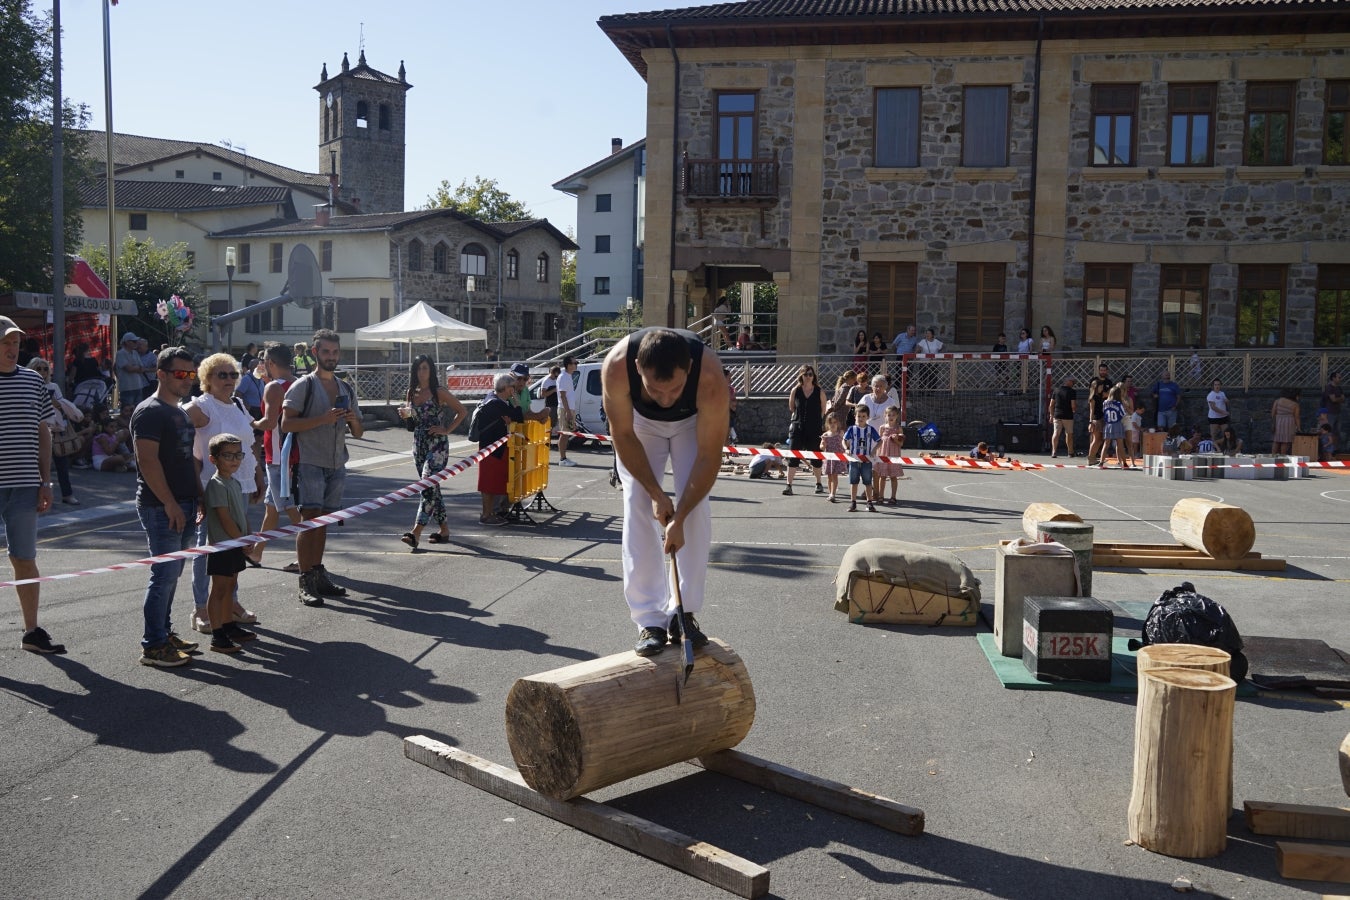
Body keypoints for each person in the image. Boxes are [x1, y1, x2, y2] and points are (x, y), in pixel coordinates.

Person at [600, 327, 730, 657]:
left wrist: (680, 517)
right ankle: (650, 620)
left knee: (696, 510)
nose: (667, 398)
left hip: (692, 423)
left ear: (688, 368)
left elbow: (708, 456)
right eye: (656, 390)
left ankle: (682, 613)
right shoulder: (616, 367)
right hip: (640, 426)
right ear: (638, 369)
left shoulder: (710, 376)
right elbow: (623, 436)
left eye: (674, 389)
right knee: (638, 503)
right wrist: (658, 495)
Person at [281, 328, 364, 607]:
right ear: (315, 352)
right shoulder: (303, 385)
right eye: (326, 351)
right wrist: (321, 418)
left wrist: (352, 419)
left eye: (335, 352)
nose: (331, 357)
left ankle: (318, 573)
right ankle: (305, 580)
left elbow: (360, 432)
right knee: (310, 520)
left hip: (337, 462)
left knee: (325, 521)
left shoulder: (345, 387)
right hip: (310, 461)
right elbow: (286, 424)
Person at [132, 346, 202, 667]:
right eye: (180, 374)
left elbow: (187, 460)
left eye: (191, 374)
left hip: (185, 503)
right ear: (161, 374)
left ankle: (164, 632)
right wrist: (171, 504)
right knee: (163, 575)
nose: (187, 379)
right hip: (161, 507)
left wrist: (198, 495)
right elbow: (147, 461)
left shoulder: (180, 411)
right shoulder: (150, 411)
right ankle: (154, 645)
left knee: (172, 574)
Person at [185, 353, 264, 634]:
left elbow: (250, 443)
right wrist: (193, 480)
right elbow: (176, 429)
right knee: (207, 548)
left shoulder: (239, 404)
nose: (229, 379)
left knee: (236, 541)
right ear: (207, 378)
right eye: (222, 374)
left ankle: (230, 601)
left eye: (233, 374)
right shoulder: (201, 407)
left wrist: (257, 474)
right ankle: (201, 607)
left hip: (240, 482)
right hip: (212, 486)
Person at [1, 317, 64, 654]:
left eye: (15, 343)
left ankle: (31, 631)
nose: (12, 349)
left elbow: (44, 433)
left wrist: (45, 480)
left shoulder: (32, 382)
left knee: (24, 558)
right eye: (5, 343)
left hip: (25, 483)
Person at [398, 354, 465, 549]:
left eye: (425, 368)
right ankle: (444, 529)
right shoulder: (411, 392)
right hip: (419, 444)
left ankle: (415, 532)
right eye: (418, 368)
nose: (421, 372)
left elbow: (462, 411)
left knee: (427, 484)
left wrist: (446, 429)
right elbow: (412, 423)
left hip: (437, 445)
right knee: (432, 488)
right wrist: (406, 415)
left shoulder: (439, 392)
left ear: (431, 370)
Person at [202, 433, 259, 654]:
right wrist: (241, 540)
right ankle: (217, 635)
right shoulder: (216, 485)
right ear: (213, 459)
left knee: (230, 587)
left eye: (238, 455)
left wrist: (249, 535)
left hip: (236, 543)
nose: (234, 460)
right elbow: (224, 518)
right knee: (219, 590)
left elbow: (241, 514)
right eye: (227, 455)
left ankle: (228, 625)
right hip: (223, 547)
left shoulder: (233, 482)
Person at [473, 372, 548, 525]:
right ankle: (486, 515)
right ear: (506, 388)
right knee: (488, 484)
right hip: (491, 449)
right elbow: (518, 415)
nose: (514, 390)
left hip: (493, 448)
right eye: (512, 387)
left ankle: (492, 512)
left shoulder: (493, 398)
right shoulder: (497, 403)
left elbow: (513, 417)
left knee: (494, 482)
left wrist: (510, 418)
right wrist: (516, 401)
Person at [252, 342, 301, 572]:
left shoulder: (273, 388)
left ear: (270, 363)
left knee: (291, 508)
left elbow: (270, 423)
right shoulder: (299, 384)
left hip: (279, 457)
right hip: (294, 453)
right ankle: (256, 552)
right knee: (272, 508)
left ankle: (307, 557)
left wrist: (249, 421)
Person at [27, 357, 81, 506]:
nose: (43, 372)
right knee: (35, 466)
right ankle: (36, 496)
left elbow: (60, 404)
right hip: (34, 430)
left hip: (55, 430)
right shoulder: (27, 385)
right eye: (39, 368)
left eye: (45, 369)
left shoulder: (53, 386)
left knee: (61, 465)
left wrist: (55, 403)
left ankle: (67, 494)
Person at [783, 364, 826, 496]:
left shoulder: (819, 391)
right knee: (793, 456)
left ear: (814, 376)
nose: (808, 377)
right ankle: (788, 485)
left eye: (810, 374)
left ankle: (818, 483)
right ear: (801, 375)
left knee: (816, 456)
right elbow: (792, 407)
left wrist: (816, 422)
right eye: (806, 374)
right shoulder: (796, 390)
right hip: (798, 426)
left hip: (814, 428)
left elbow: (823, 410)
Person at [843, 405, 880, 513]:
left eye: (863, 416)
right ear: (855, 417)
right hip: (854, 460)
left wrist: (874, 450)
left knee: (868, 482)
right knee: (853, 482)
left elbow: (879, 440)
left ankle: (869, 503)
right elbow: (844, 440)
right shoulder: (852, 429)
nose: (861, 418)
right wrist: (846, 448)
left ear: (867, 417)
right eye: (859, 416)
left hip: (866, 461)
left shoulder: (870, 429)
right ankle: (853, 503)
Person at [874, 405, 905, 504]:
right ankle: (881, 496)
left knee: (893, 476)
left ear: (897, 416)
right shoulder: (882, 428)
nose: (891, 417)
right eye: (889, 415)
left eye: (893, 415)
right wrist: (875, 452)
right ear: (885, 416)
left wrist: (896, 439)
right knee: (882, 476)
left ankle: (893, 497)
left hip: (894, 455)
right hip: (883, 454)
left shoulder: (898, 428)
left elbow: (901, 444)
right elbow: (879, 442)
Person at [1099, 385, 1130, 469]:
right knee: (1120, 445)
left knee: (1106, 444)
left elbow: (1103, 412)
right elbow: (1123, 414)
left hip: (1108, 424)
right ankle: (1124, 463)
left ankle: (1101, 463)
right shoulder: (1119, 403)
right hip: (1117, 424)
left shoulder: (1105, 403)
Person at [556, 356, 579, 466]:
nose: (576, 364)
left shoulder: (568, 376)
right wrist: (568, 412)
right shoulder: (563, 377)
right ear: (568, 365)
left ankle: (564, 457)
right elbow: (562, 396)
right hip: (565, 409)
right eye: (574, 363)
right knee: (564, 433)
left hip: (569, 409)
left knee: (567, 433)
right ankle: (562, 459)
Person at [819, 411, 846, 503]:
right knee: (829, 477)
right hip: (828, 458)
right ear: (827, 424)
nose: (833, 425)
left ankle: (833, 494)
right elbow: (821, 447)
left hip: (837, 458)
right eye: (831, 423)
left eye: (835, 422)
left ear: (838, 423)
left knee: (835, 476)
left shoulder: (840, 433)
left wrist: (846, 447)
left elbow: (845, 443)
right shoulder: (825, 435)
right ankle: (830, 492)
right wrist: (823, 443)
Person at [115, 332, 147, 407]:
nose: (136, 343)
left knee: (138, 409)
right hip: (127, 387)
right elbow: (128, 369)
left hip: (138, 386)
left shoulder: (135, 353)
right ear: (127, 342)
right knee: (127, 410)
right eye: (134, 341)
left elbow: (142, 369)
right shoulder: (120, 353)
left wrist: (134, 367)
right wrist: (136, 367)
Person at [1049, 376, 1077, 459]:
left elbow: (1051, 405)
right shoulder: (1072, 391)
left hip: (1057, 415)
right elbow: (1073, 405)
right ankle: (1070, 452)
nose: (1073, 384)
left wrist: (1051, 415)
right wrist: (1074, 410)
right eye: (1073, 382)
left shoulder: (1056, 390)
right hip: (1067, 415)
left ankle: (1054, 451)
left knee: (1056, 433)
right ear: (1068, 382)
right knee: (1069, 434)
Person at [1270, 387, 1300, 455]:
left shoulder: (1277, 401)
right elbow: (1297, 417)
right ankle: (1282, 457)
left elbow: (1273, 413)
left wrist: (1275, 421)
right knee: (1285, 441)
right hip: (1289, 423)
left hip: (1278, 422)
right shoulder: (1295, 404)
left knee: (1276, 440)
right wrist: (1298, 427)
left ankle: (1273, 456)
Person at [1086, 378, 1107, 465]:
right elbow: (1091, 411)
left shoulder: (1100, 396)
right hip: (1096, 420)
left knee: (1099, 440)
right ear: (1096, 387)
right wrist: (1090, 423)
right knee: (1096, 439)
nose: (1102, 387)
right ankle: (1090, 458)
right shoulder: (1093, 398)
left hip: (1101, 419)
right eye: (1100, 386)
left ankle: (1093, 457)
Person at [1322, 372, 1343, 445]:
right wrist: (1339, 398)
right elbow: (1333, 399)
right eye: (1339, 377)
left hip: (1338, 412)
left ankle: (1334, 450)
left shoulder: (1339, 388)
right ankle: (1327, 449)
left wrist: (1338, 399)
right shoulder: (1329, 387)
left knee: (1337, 432)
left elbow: (1343, 399)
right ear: (1333, 378)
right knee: (1329, 431)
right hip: (1330, 412)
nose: (1340, 379)